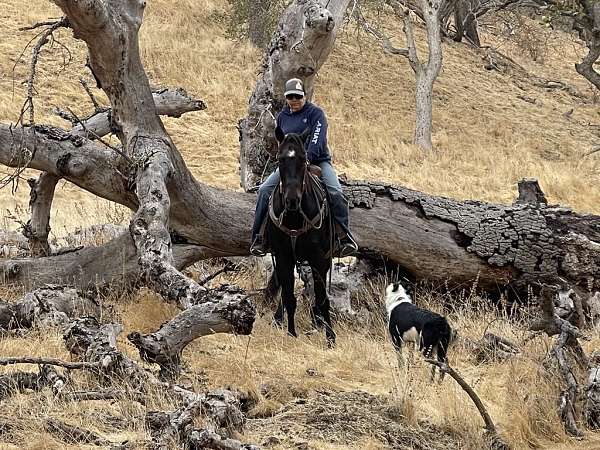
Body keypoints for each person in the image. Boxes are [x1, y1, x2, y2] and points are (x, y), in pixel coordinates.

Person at [250, 78, 358, 258]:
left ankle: (343, 237)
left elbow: (317, 139)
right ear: (286, 97)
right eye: (290, 96)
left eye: (298, 96)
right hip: (292, 165)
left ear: (304, 96)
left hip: (318, 161)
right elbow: (282, 143)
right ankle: (259, 238)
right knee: (264, 190)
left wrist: (307, 160)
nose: (294, 99)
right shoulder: (282, 117)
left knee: (335, 191)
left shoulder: (316, 114)